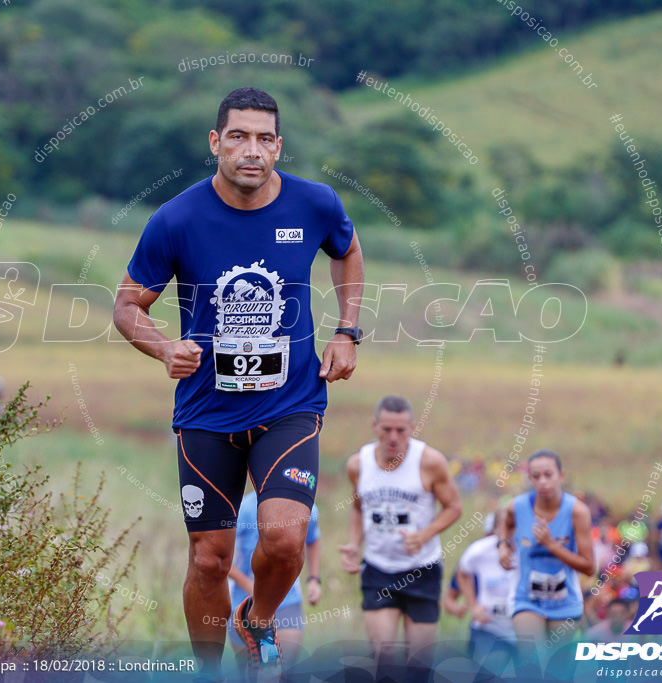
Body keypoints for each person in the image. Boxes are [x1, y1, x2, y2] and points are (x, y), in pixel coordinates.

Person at [112, 87, 364, 677]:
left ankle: (257, 617)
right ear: (215, 142)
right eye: (238, 137)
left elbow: (348, 251)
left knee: (283, 540)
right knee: (209, 560)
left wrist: (347, 330)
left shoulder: (315, 204)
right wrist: (162, 346)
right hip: (206, 411)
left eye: (264, 138)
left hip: (291, 402)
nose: (251, 150)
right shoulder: (176, 219)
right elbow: (127, 307)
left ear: (279, 146)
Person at [339, 395, 462, 675]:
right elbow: (358, 508)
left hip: (422, 570)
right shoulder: (358, 465)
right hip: (378, 569)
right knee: (383, 660)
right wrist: (354, 544)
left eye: (401, 430)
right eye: (386, 430)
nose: (393, 437)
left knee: (419, 666)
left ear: (412, 428)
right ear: (375, 426)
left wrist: (424, 534)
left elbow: (454, 507)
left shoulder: (429, 462)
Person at [498, 450, 595, 663]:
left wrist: (551, 544)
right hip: (527, 598)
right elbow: (505, 523)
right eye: (536, 476)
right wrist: (503, 546)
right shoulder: (518, 506)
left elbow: (589, 567)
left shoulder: (577, 512)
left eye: (548, 474)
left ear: (561, 475)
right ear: (530, 478)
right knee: (529, 660)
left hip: (565, 601)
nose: (543, 481)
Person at [227, 491, 321, 670]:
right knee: (250, 672)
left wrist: (314, 580)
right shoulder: (244, 508)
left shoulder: (305, 506)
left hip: (287, 604)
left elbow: (313, 538)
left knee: (279, 670)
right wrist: (253, 588)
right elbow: (222, 558)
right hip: (243, 606)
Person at [457, 511, 517, 676]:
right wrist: (473, 605)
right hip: (489, 628)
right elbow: (462, 573)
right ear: (496, 529)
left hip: (524, 631)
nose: (509, 533)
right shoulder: (480, 550)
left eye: (513, 528)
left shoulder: (530, 549)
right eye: (504, 528)